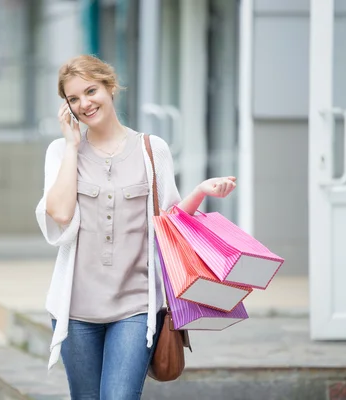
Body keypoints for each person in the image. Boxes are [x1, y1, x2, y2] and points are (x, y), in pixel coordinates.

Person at [35, 54, 237, 399]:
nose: (84, 103)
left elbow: (169, 222)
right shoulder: (60, 152)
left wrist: (201, 192)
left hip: (134, 309)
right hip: (76, 312)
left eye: (91, 91)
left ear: (110, 87)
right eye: (73, 98)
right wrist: (72, 145)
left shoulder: (151, 149)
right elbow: (60, 213)